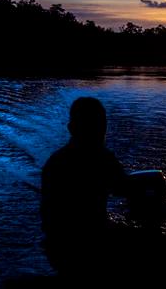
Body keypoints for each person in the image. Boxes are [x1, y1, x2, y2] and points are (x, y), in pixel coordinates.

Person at [40, 97, 129, 278]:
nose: (102, 131)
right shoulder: (104, 158)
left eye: (102, 125)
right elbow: (124, 188)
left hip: (58, 248)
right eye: (99, 125)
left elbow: (47, 217)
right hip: (89, 244)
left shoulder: (54, 161)